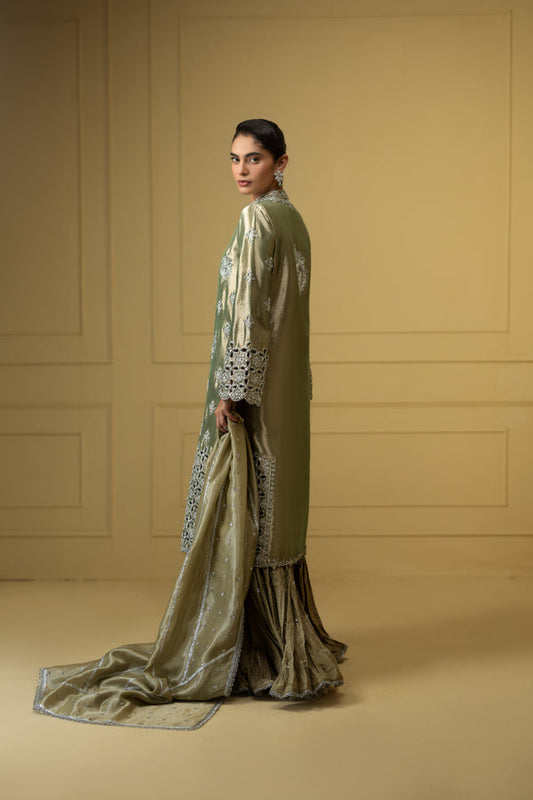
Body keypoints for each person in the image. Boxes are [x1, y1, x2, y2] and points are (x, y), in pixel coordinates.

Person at [33, 119, 347, 731]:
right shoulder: (293, 220)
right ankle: (276, 647)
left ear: (281, 162)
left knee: (244, 508)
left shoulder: (257, 220)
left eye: (254, 159)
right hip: (287, 394)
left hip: (256, 393)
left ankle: (241, 652)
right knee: (273, 513)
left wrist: (233, 393)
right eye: (234, 158)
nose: (241, 170)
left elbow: (249, 313)